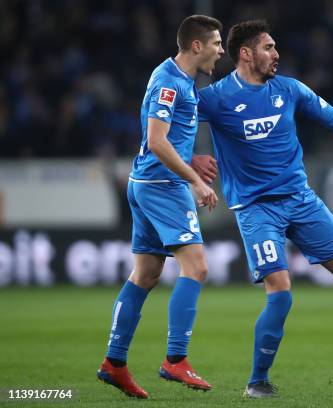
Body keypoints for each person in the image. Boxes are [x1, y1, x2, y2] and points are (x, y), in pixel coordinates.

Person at [197, 20, 333, 399]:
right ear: (246, 54)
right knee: (281, 290)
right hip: (256, 208)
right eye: (269, 47)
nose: (276, 54)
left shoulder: (289, 89)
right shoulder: (215, 98)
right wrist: (191, 161)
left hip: (301, 200)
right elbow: (163, 125)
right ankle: (257, 380)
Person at [96, 15, 223, 399]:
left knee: (146, 274)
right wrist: (195, 180)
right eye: (216, 43)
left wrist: (190, 157)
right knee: (197, 267)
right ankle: (175, 360)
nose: (221, 50)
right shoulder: (170, 83)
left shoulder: (175, 77)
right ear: (196, 46)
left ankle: (114, 364)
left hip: (147, 182)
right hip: (163, 187)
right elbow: (156, 141)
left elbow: (167, 140)